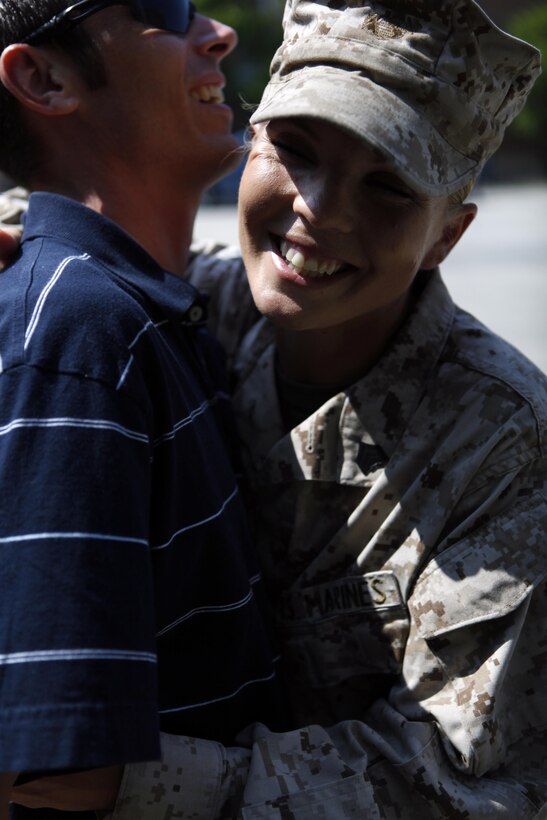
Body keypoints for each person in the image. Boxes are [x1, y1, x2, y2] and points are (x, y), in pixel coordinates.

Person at [2, 0, 546, 818]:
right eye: (294, 149)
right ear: (249, 145)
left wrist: (121, 780)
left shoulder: (503, 444)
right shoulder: (186, 314)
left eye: (388, 187)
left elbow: (452, 782)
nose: (320, 210)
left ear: (446, 236)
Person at [0, 1, 285, 818]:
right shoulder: (75, 331)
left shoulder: (133, 314)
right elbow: (47, 774)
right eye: (162, 9)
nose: (219, 34)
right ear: (43, 79)